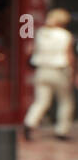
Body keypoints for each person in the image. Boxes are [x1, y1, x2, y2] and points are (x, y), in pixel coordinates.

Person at [23, 8, 75, 141]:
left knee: (41, 100)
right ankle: (61, 130)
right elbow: (69, 56)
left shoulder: (41, 33)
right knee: (66, 101)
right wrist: (74, 73)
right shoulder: (65, 35)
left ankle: (30, 123)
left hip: (41, 70)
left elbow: (31, 50)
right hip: (59, 71)